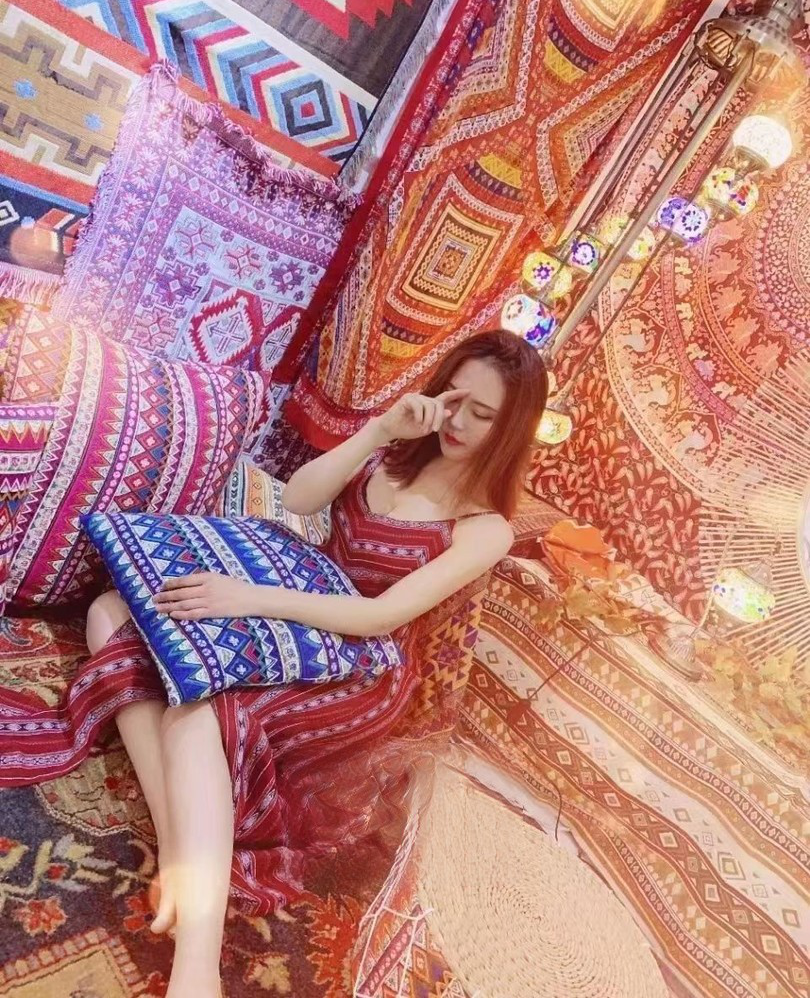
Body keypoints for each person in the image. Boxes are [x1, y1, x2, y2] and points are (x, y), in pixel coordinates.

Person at [3, 330, 548, 998]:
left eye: (482, 414)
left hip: (358, 665)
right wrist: (380, 429)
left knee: (196, 711)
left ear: (510, 429)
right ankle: (182, 846)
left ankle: (197, 970)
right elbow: (299, 499)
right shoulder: (395, 457)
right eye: (453, 398)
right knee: (111, 611)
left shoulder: (485, 527)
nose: (457, 421)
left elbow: (383, 616)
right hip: (297, 612)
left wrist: (247, 597)